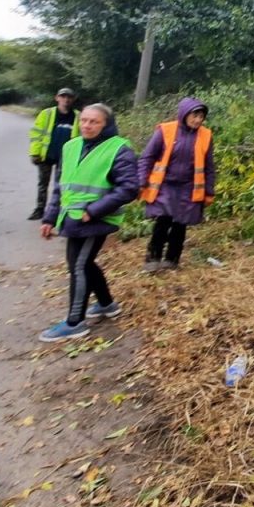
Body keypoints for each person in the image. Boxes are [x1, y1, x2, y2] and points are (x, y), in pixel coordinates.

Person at [38, 104, 138, 342]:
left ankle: (75, 322)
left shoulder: (119, 149)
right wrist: (49, 217)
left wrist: (93, 211)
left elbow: (129, 188)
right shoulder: (70, 146)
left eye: (94, 122)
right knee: (83, 263)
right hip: (71, 219)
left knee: (79, 266)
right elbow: (60, 187)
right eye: (84, 120)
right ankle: (106, 304)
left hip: (95, 220)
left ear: (107, 124)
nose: (87, 125)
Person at [137, 97, 216, 272]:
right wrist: (142, 181)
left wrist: (209, 191)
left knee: (180, 224)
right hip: (165, 186)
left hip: (188, 188)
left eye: (201, 117)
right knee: (162, 221)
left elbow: (209, 167)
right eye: (194, 116)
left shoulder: (206, 135)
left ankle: (172, 260)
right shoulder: (165, 130)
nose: (198, 120)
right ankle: (152, 259)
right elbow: (147, 157)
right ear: (184, 114)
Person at [28, 87, 80, 220]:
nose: (66, 99)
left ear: (73, 99)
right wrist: (35, 153)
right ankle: (39, 209)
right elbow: (36, 134)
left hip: (66, 158)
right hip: (46, 155)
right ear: (57, 98)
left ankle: (56, 211)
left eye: (69, 97)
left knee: (61, 185)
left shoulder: (78, 116)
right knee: (43, 184)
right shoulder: (47, 113)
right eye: (63, 96)